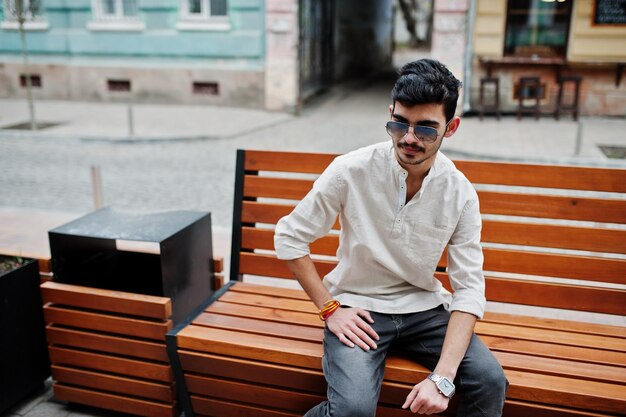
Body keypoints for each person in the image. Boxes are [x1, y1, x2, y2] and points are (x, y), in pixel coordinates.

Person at [274, 59, 508, 416]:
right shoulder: (350, 170)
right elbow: (290, 237)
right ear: (391, 114)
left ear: (452, 127)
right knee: (352, 411)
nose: (409, 138)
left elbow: (469, 290)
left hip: (426, 311)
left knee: (490, 382)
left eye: (426, 129)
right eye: (399, 123)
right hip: (358, 307)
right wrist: (329, 308)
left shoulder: (459, 193)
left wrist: (442, 379)